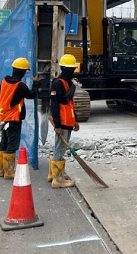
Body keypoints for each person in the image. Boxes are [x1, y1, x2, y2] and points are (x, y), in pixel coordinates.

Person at [0, 57, 40, 179]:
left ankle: (2, 171)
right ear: (23, 72)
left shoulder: (5, 81)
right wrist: (35, 83)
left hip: (3, 117)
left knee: (3, 143)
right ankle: (9, 172)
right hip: (13, 119)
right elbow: (31, 95)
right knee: (12, 145)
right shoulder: (20, 86)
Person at [49, 54, 80, 188]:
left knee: (60, 148)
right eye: (70, 69)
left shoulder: (68, 82)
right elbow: (55, 104)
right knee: (60, 148)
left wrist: (75, 120)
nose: (71, 71)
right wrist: (57, 125)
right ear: (64, 69)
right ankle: (58, 180)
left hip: (68, 121)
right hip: (62, 121)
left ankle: (54, 173)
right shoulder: (58, 83)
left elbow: (70, 103)